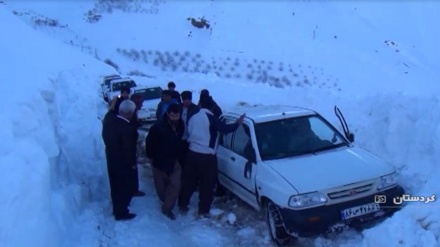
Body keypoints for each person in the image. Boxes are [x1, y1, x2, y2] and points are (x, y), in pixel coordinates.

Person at [178, 96, 245, 218]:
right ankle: (203, 210)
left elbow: (188, 132)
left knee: (189, 181)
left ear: (200, 105)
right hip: (207, 156)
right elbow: (224, 129)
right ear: (213, 107)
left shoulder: (193, 117)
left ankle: (182, 204)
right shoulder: (212, 118)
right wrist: (237, 124)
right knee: (207, 184)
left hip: (192, 153)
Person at [145, 103, 185, 220]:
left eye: (177, 116)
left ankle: (167, 208)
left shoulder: (181, 125)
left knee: (175, 185)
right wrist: (151, 157)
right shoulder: (158, 127)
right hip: (159, 162)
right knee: (161, 187)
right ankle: (165, 200)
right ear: (168, 114)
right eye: (172, 116)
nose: (175, 119)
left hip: (175, 161)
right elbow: (149, 143)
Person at [102, 100, 138, 221]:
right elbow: (128, 149)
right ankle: (121, 212)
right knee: (124, 187)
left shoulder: (109, 120)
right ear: (130, 113)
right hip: (123, 163)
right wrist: (132, 164)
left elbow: (109, 113)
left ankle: (117, 208)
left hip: (111, 158)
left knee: (115, 186)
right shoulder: (126, 129)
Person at [129, 93, 146, 197]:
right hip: (130, 145)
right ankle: (133, 189)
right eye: (141, 103)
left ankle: (133, 188)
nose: (142, 105)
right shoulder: (132, 111)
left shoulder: (133, 110)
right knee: (132, 167)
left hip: (131, 142)